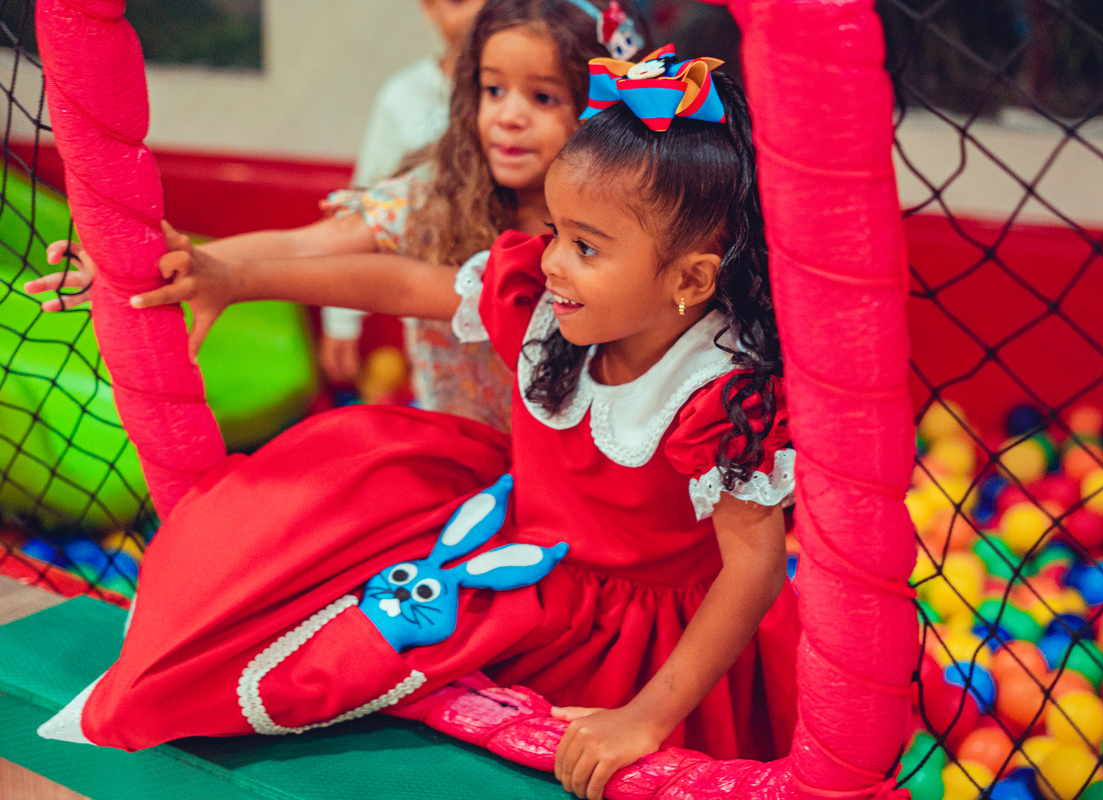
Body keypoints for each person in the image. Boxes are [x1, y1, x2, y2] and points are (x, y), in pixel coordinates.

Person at [39, 51, 799, 800]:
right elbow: (405, 283)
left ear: (690, 278)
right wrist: (233, 277)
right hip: (525, 582)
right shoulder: (546, 307)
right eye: (556, 231)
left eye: (587, 246)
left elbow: (756, 570)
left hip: (651, 652)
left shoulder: (719, 397)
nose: (553, 262)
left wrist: (646, 716)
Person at [26, 0, 650, 433]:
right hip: (465, 446)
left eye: (542, 97)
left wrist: (228, 277)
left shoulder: (609, 220)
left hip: (578, 459)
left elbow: (408, 288)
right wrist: (154, 266)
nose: (509, 116)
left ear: (596, 111)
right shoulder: (440, 193)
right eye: (492, 90)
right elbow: (306, 246)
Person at [321, 0, 487, 383]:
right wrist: (341, 322)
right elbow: (366, 208)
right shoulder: (403, 97)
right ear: (429, 7)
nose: (479, 9)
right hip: (434, 331)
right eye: (459, 0)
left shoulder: (523, 104)